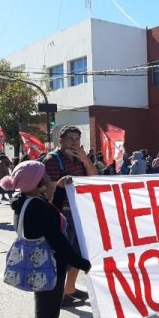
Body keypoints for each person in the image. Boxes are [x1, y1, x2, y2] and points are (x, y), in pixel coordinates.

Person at [1, 161, 91, 318]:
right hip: (50, 266)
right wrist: (82, 263)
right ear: (37, 183)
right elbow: (58, 241)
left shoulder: (27, 201)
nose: (49, 178)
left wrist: (60, 190)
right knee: (47, 315)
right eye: (45, 176)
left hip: (40, 264)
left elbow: (52, 218)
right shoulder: (38, 207)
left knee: (45, 310)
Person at [43, 125, 97, 307]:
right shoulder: (52, 159)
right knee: (64, 255)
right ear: (61, 140)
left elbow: (94, 180)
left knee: (80, 253)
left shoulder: (79, 159)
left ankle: (70, 289)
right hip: (63, 213)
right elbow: (50, 190)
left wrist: (86, 161)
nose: (75, 143)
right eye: (71, 139)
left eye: (77, 139)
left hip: (79, 212)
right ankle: (58, 295)